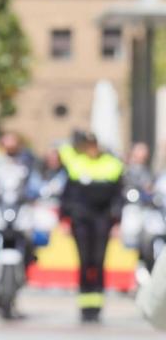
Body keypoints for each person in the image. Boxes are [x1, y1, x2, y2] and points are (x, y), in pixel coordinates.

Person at [59, 131, 124, 323]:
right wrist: (65, 219)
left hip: (102, 220)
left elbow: (119, 196)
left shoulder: (112, 165)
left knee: (98, 261)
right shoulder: (76, 165)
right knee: (84, 261)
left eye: (93, 145)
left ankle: (97, 306)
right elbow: (67, 196)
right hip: (81, 220)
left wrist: (117, 221)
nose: (91, 149)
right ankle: (85, 305)